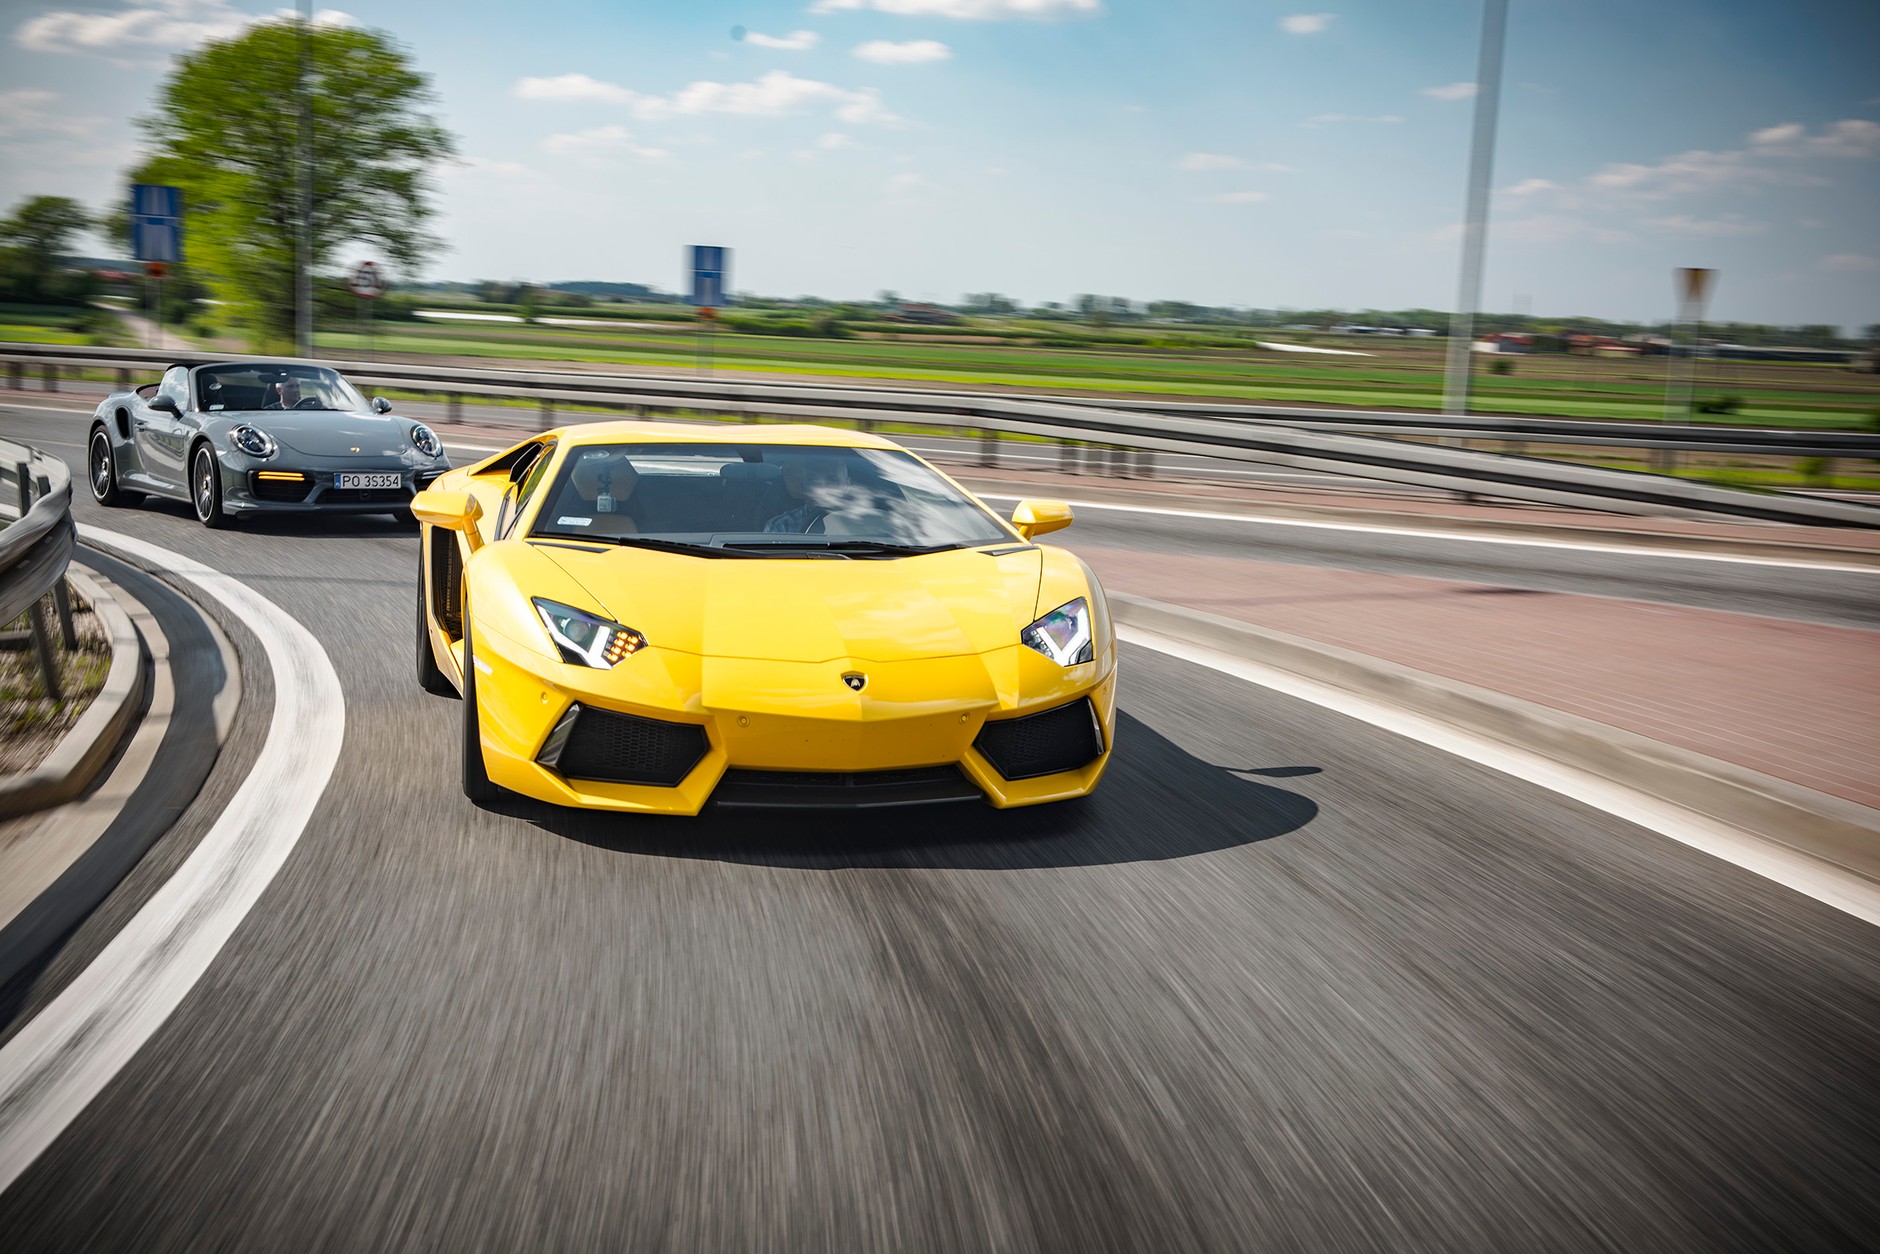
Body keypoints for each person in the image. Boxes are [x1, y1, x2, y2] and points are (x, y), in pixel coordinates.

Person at [762, 456, 850, 533]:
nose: (821, 489)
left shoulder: (860, 524)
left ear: (847, 486)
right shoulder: (781, 527)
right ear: (803, 487)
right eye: (813, 481)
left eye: (832, 480)